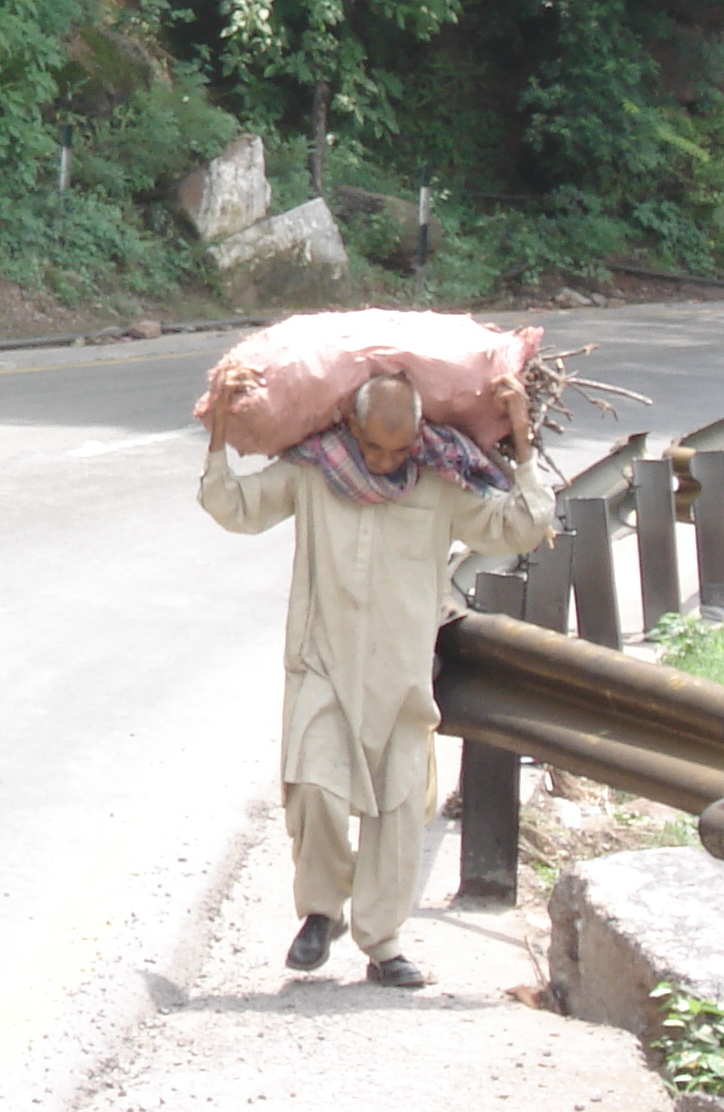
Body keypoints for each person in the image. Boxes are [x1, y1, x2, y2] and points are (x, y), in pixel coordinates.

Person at [199, 369, 552, 987]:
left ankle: (383, 944)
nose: (387, 461)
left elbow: (520, 526)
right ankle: (319, 911)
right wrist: (219, 438)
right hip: (322, 666)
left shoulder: (442, 484)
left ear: (420, 436)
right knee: (313, 790)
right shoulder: (312, 474)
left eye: (399, 448)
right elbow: (236, 507)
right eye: (374, 447)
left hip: (402, 678)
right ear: (351, 428)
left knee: (396, 813)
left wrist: (521, 438)